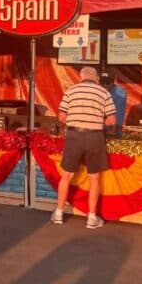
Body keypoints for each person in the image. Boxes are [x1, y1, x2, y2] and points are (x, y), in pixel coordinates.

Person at [53, 66, 116, 229]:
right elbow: (112, 121)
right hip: (95, 137)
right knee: (94, 178)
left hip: (74, 136)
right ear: (96, 78)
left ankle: (59, 213)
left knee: (66, 176)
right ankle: (91, 218)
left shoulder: (71, 91)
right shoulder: (104, 93)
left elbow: (62, 117)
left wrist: (75, 120)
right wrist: (95, 122)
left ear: (80, 77)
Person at [99, 70, 127, 137]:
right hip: (99, 127)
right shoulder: (97, 90)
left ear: (113, 82)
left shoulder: (120, 92)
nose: (105, 84)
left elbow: (112, 112)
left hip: (115, 127)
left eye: (107, 82)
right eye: (102, 82)